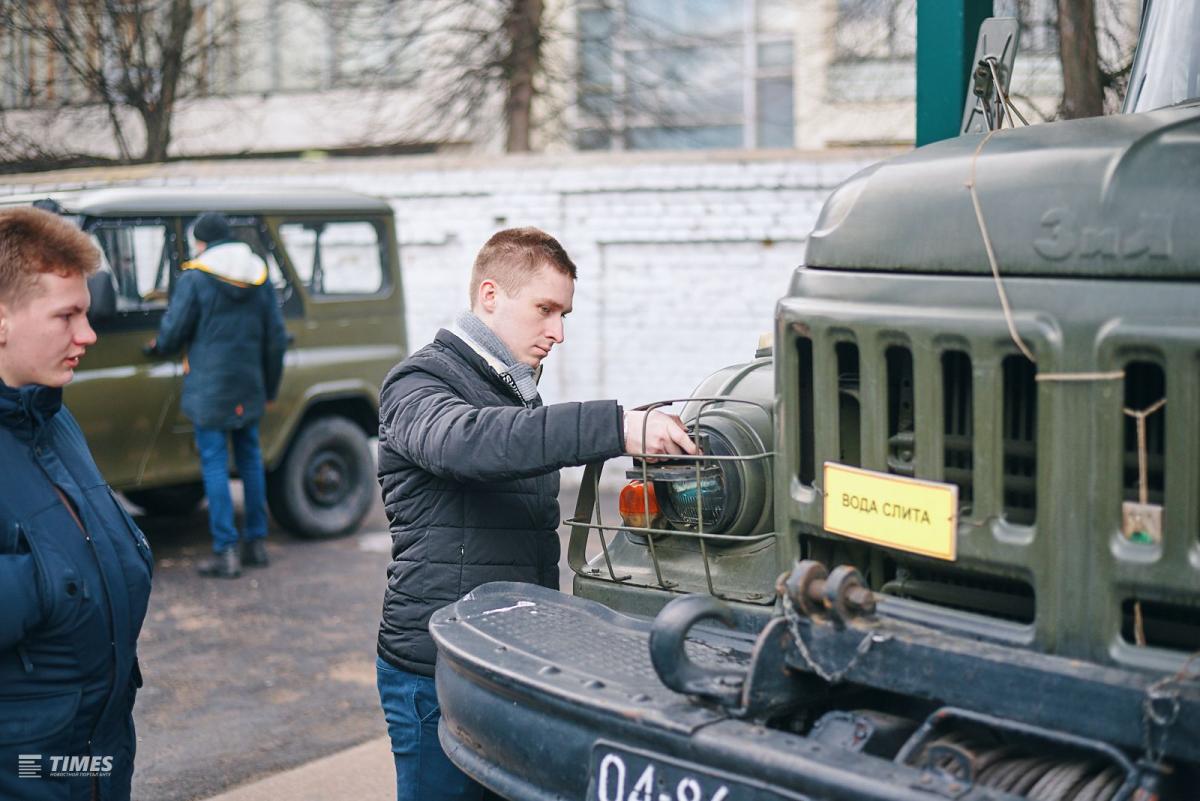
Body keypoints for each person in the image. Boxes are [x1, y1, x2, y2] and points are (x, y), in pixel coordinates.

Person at [375, 227, 697, 801]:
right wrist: (616, 426)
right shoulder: (418, 382)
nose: (559, 332)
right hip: (438, 669)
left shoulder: (515, 392)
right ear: (491, 295)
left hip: (509, 661)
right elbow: (464, 442)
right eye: (545, 309)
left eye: (565, 313)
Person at [0, 207, 153, 800]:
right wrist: (46, 582)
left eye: (86, 313)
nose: (87, 335)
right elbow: (55, 572)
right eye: (67, 315)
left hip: (94, 758)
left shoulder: (51, 419)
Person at [149, 212, 288, 579]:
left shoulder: (195, 277)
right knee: (250, 460)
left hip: (210, 388)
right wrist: (270, 387)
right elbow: (275, 338)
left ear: (202, 242)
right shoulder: (259, 275)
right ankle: (255, 545)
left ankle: (225, 551)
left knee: (214, 464)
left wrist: (158, 347)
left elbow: (174, 329)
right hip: (249, 385)